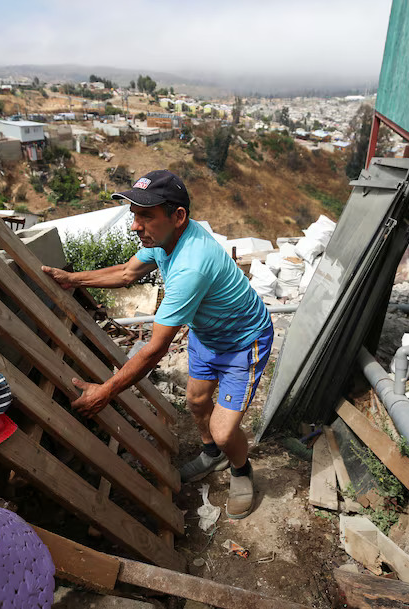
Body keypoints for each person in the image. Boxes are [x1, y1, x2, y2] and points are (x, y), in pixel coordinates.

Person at [41, 170, 273, 519]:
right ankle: (212, 456)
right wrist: (72, 279)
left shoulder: (191, 266)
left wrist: (106, 391)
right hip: (207, 335)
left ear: (177, 217)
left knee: (225, 432)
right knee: (196, 402)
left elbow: (154, 349)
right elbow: (125, 274)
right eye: (135, 215)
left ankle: (240, 468)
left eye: (145, 216)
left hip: (242, 342)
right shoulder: (164, 242)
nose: (135, 226)